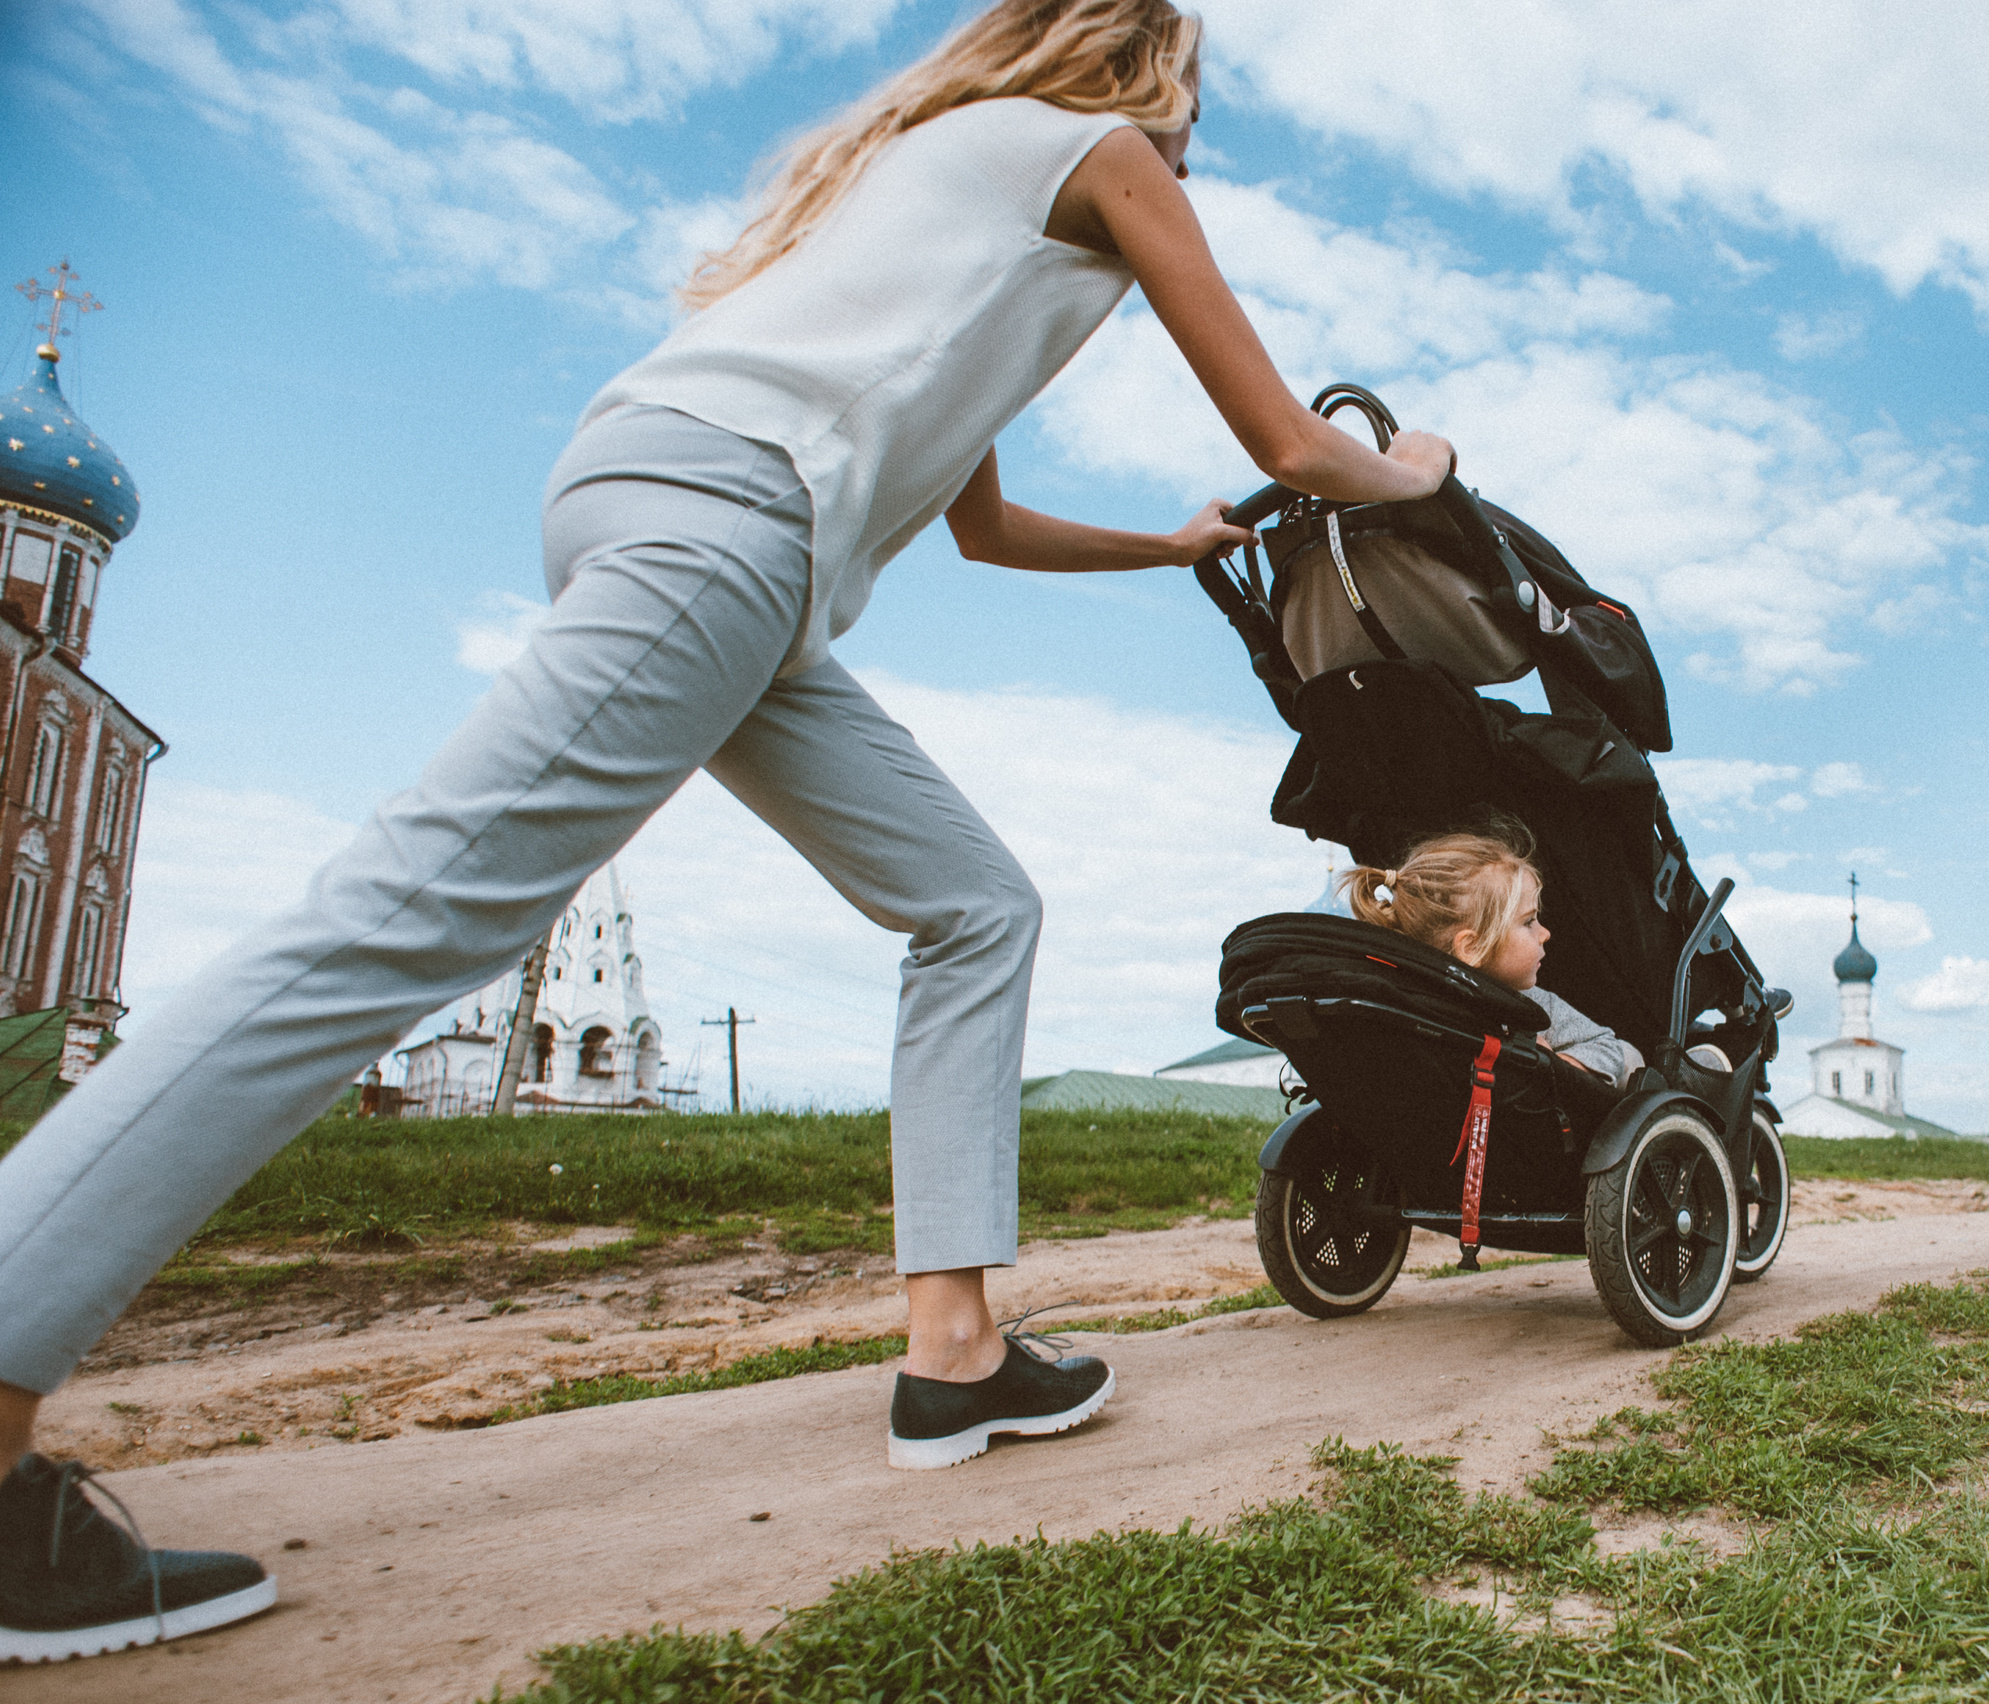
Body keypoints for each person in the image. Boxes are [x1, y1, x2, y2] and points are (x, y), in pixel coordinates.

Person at [0, 0, 1456, 1661]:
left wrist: (1165, 544)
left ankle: (955, 1354)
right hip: (728, 534)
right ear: (1146, 68)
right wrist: (1420, 462)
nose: (1196, 138)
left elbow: (974, 526)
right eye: (1194, 103)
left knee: (975, 900)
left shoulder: (926, 185)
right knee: (411, 917)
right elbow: (1293, 442)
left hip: (703, 527)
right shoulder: (1109, 157)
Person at [1342, 829, 1642, 1087]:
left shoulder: (1398, 1005)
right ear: (1471, 947)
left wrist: (1557, 1063)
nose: (1545, 933)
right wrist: (1554, 1067)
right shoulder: (1531, 1004)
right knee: (1631, 1058)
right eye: (1529, 922)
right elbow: (1613, 1050)